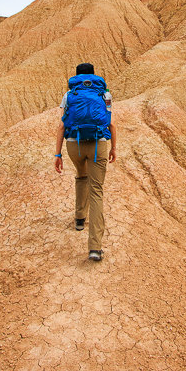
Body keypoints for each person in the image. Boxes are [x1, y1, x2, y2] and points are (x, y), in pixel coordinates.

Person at [54, 62, 116, 261]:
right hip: (98, 144)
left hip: (75, 145)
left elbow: (62, 126)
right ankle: (95, 248)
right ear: (94, 75)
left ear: (76, 76)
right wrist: (113, 147)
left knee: (81, 176)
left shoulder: (69, 95)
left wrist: (58, 154)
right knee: (96, 190)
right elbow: (110, 123)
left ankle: (80, 218)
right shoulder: (104, 94)